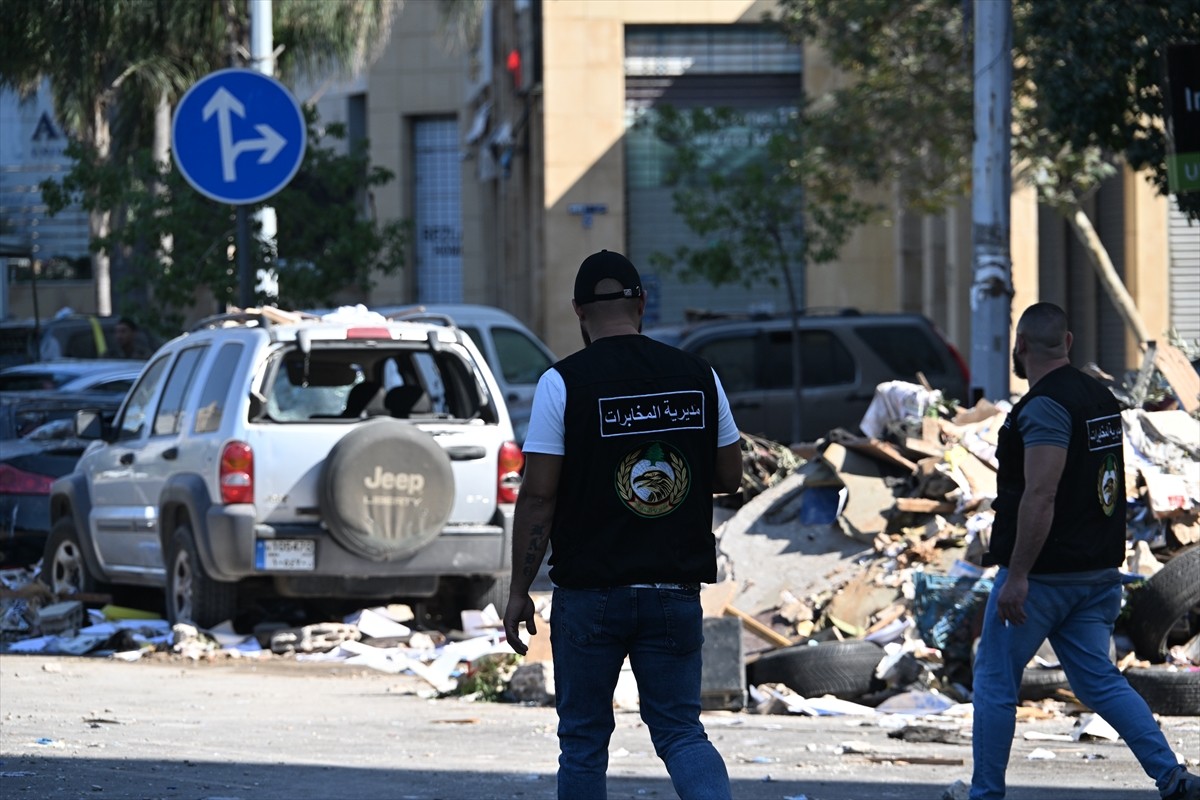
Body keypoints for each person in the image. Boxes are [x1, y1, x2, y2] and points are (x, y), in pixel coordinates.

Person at [503, 250, 744, 800]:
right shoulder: (698, 375)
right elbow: (729, 475)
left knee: (584, 743)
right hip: (673, 590)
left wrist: (520, 590)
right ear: (642, 302)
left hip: (590, 596)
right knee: (682, 732)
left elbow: (538, 497)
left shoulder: (561, 384)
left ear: (578, 312)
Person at [970, 302, 1198, 800]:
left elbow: (1042, 493)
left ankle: (984, 793)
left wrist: (1018, 577)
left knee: (993, 683)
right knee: (1099, 682)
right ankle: (1172, 777)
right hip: (1097, 573)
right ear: (1068, 343)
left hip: (1045, 577)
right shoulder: (1099, 396)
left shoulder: (1046, 406)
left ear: (1022, 346)